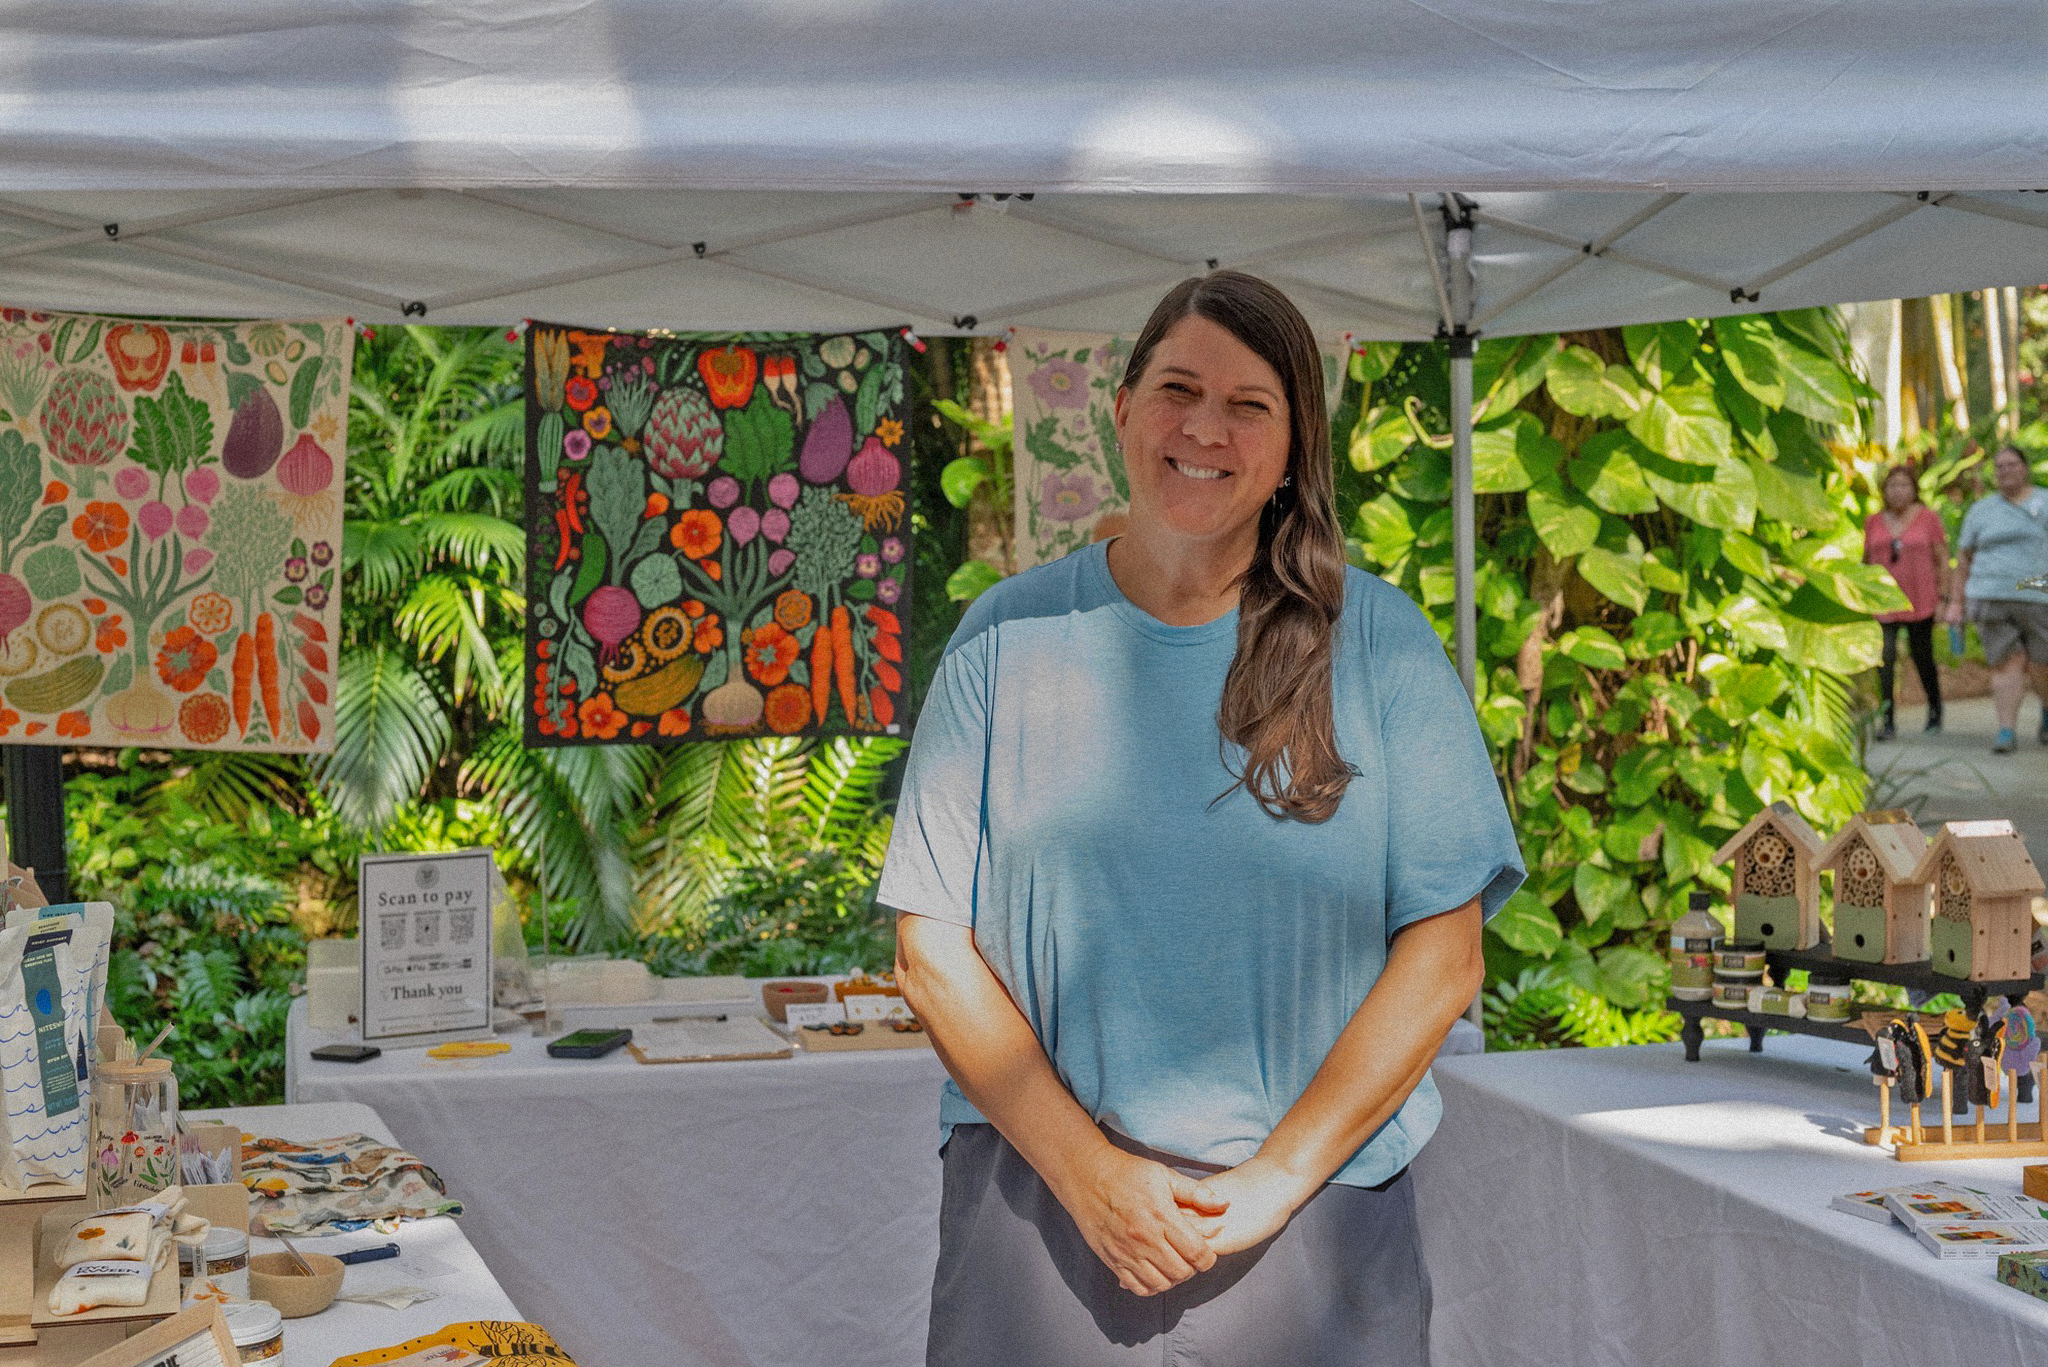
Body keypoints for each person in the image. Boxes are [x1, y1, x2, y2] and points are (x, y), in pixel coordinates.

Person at [881, 271, 1524, 1366]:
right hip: (1042, 1217)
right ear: (1122, 407)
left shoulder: (1380, 646)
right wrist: (1089, 1174)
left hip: (1315, 1223)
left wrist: (1275, 1180)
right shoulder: (1003, 639)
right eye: (1178, 389)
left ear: (1293, 445)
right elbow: (930, 952)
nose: (1205, 429)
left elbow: (1444, 955)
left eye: (1248, 405)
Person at [1948, 445, 2048, 753]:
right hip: (1989, 594)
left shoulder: (2044, 501)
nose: (2005, 470)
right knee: (2006, 662)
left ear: (2025, 468)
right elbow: (1963, 558)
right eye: (2000, 466)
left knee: (2042, 663)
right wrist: (1956, 602)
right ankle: (2006, 730)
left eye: (2012, 464)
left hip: (2038, 593)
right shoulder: (1981, 510)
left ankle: (2046, 709)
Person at [1862, 465, 1948, 739]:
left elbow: (1942, 559)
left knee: (1922, 656)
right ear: (1884, 490)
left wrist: (1944, 598)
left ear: (1914, 489)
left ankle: (1934, 709)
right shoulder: (1873, 521)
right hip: (1884, 602)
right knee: (1885, 657)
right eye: (1892, 486)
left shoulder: (1928, 518)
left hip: (1920, 600)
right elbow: (1865, 562)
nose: (1897, 491)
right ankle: (1887, 719)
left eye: (1903, 485)